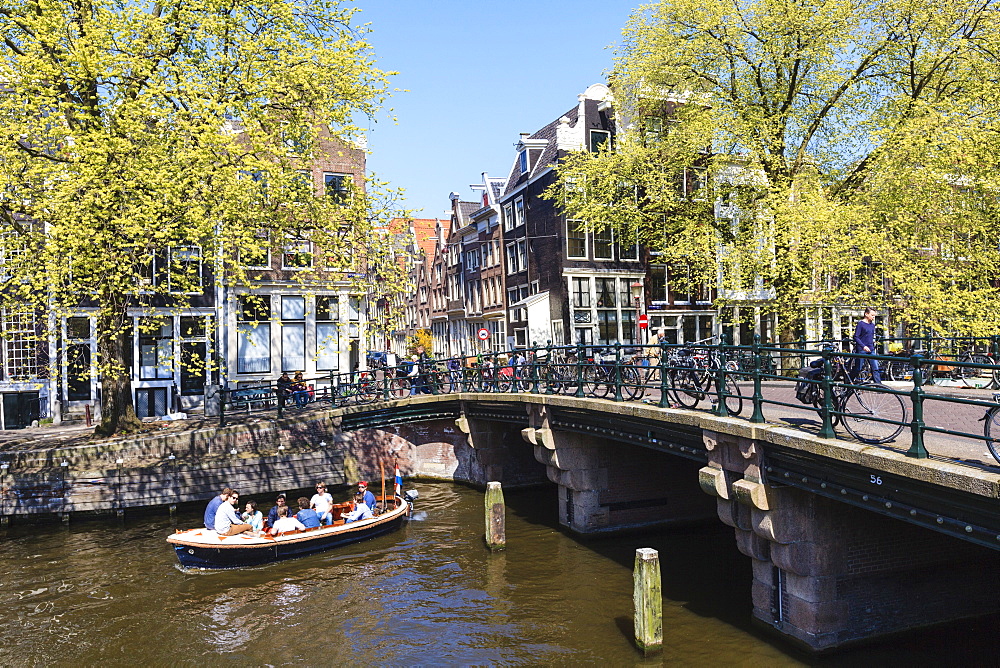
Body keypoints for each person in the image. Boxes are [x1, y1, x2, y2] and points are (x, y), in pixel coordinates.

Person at [852, 307, 882, 383]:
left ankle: (879, 385)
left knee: (875, 368)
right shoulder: (860, 324)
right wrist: (863, 346)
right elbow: (856, 336)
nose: (873, 317)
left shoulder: (872, 325)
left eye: (874, 316)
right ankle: (849, 381)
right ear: (866, 314)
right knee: (858, 368)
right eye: (872, 315)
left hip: (871, 349)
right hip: (862, 349)